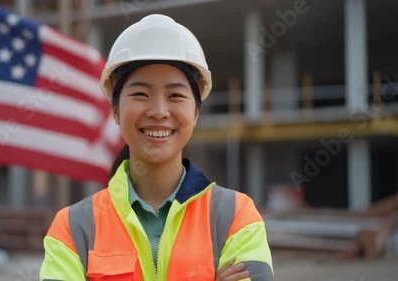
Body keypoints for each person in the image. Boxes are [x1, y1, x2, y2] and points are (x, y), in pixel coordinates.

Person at [40, 14, 274, 281]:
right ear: (116, 111)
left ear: (196, 112)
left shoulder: (236, 217)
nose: (159, 112)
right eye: (140, 94)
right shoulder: (72, 229)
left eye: (175, 95)